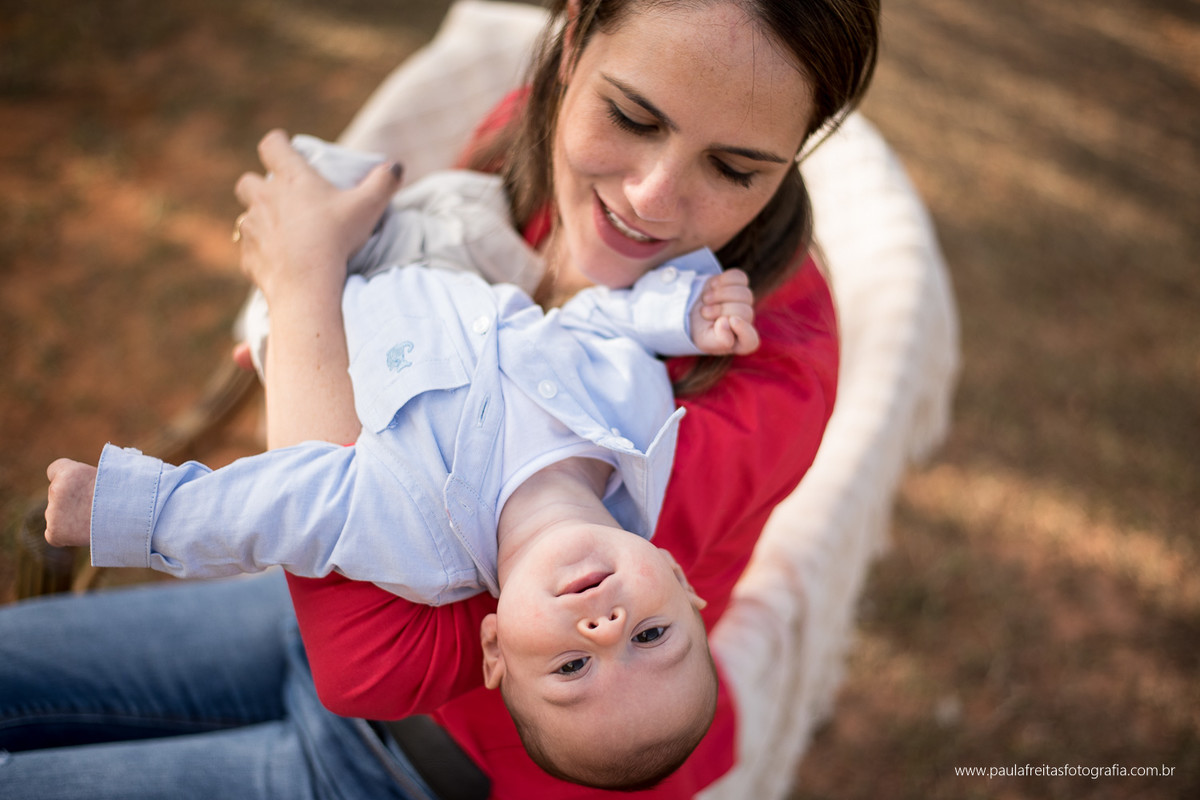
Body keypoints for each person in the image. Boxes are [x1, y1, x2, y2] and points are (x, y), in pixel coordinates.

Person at [0, 0, 880, 797]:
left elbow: (366, 658)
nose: (649, 199)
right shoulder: (527, 142)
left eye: (735, 168)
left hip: (421, 771)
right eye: (632, 116)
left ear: (794, 158)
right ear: (572, 41)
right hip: (290, 615)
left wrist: (304, 281)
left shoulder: (766, 375)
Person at [39, 133, 760, 786]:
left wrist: (124, 509)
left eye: (572, 667)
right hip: (438, 262)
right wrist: (681, 311)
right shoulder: (637, 429)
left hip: (345, 302)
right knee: (408, 188)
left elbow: (276, 507)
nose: (603, 629)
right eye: (651, 634)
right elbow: (590, 321)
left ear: (495, 646)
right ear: (674, 577)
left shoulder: (419, 540)